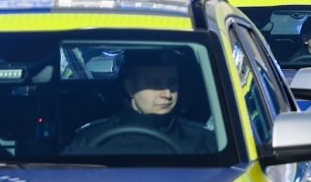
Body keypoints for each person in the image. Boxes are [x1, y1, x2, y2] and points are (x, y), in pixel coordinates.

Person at [66, 48, 214, 154]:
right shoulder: (88, 140)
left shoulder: (204, 141)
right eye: (155, 84)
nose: (168, 94)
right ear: (130, 88)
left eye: (172, 82)